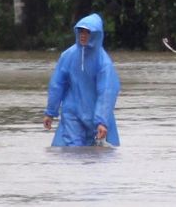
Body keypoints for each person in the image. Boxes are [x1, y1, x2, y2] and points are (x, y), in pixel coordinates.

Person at [43, 12, 120, 147]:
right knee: (73, 150)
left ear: (95, 34)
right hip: (72, 112)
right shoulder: (67, 56)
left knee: (95, 156)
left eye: (87, 32)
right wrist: (50, 112)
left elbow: (107, 92)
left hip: (94, 113)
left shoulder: (103, 62)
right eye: (80, 31)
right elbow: (57, 85)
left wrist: (101, 121)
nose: (83, 35)